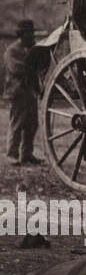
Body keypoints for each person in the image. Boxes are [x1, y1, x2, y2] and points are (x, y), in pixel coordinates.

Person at [4, 19, 42, 166]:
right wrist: (31, 68)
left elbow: (39, 66)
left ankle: (26, 154)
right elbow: (16, 69)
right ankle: (11, 154)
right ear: (22, 35)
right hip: (17, 92)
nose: (32, 36)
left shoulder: (31, 48)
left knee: (32, 124)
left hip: (30, 92)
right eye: (29, 34)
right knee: (17, 124)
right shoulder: (12, 50)